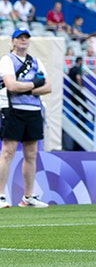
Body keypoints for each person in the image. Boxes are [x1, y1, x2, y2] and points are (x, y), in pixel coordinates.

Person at [0, 29, 51, 207]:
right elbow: (11, 85)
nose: (23, 41)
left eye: (26, 38)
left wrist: (27, 89)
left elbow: (48, 86)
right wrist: (33, 85)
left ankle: (28, 197)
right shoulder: (7, 60)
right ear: (13, 41)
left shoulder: (36, 62)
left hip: (33, 110)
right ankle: (0, 195)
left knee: (31, 154)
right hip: (13, 109)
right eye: (20, 38)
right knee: (8, 152)